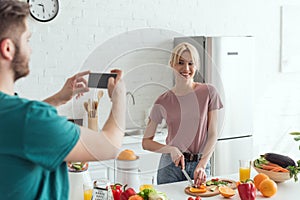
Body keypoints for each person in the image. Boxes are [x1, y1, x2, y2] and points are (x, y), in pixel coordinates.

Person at [0, 0, 126, 199]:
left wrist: (57, 99)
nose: (30, 50)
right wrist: (119, 98)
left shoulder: (15, 115)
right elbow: (109, 146)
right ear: (7, 49)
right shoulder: (31, 118)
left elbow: (16, 128)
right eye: (27, 40)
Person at [142, 42, 223, 187]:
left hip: (200, 165)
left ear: (196, 66)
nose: (186, 68)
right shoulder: (163, 100)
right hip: (170, 166)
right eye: (180, 63)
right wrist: (171, 149)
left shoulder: (209, 92)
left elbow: (212, 134)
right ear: (172, 64)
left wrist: (202, 164)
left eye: (190, 63)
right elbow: (146, 142)